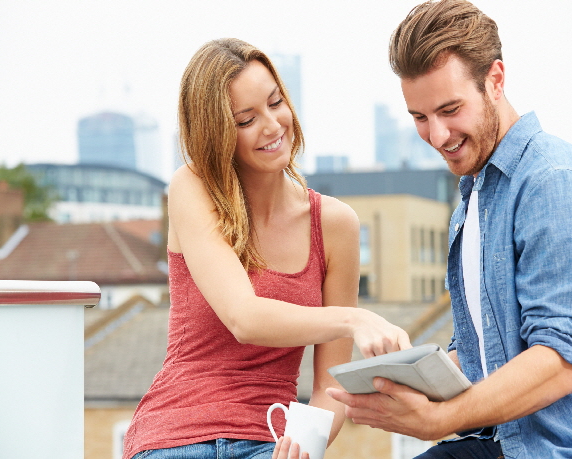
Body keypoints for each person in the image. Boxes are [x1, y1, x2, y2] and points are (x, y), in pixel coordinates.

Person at [326, 0, 572, 458]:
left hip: (569, 448)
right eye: (420, 118)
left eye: (450, 109)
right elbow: (482, 357)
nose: (438, 136)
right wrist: (406, 382)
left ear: (495, 80)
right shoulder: (472, 200)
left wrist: (438, 420)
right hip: (500, 441)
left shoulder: (556, 182)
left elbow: (561, 364)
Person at [121, 38, 410, 459]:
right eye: (245, 119)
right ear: (217, 133)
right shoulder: (192, 187)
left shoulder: (335, 225)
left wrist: (302, 446)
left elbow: (331, 387)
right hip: (175, 437)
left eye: (276, 102)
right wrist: (354, 319)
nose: (273, 125)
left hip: (268, 443)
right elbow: (244, 317)